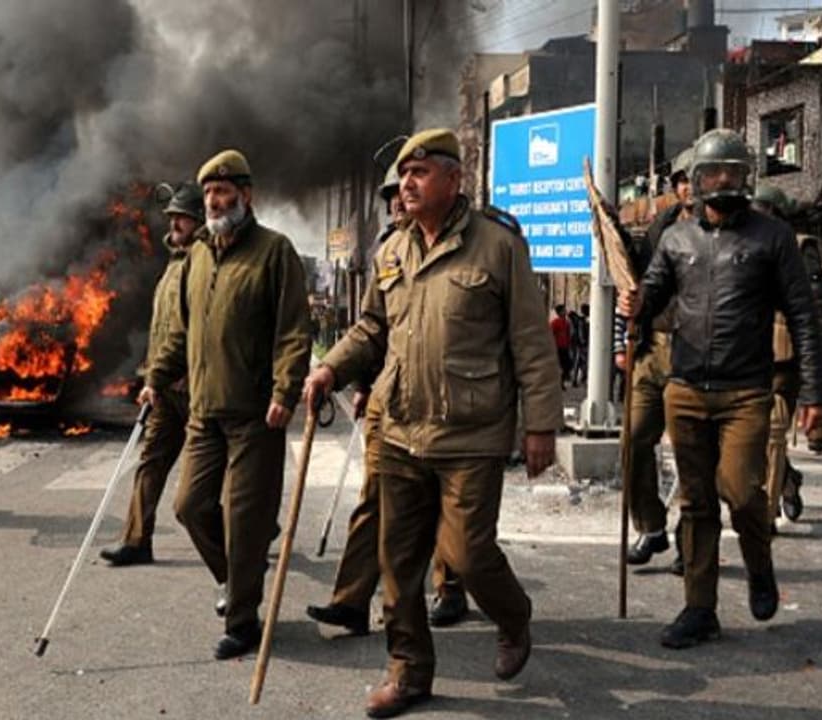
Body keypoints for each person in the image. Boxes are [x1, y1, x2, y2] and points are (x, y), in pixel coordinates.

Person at [306, 128, 562, 718]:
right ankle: (409, 671)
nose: (408, 185)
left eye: (420, 173)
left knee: (467, 555)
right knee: (398, 564)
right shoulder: (392, 251)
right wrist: (330, 368)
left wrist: (541, 425)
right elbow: (372, 329)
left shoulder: (497, 247)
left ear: (453, 178)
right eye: (404, 176)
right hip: (400, 428)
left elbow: (531, 341)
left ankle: (514, 615)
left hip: (471, 432)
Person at [618, 129, 822, 650]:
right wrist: (635, 302)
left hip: (745, 392)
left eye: (733, 172)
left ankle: (759, 563)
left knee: (739, 490)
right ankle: (699, 608)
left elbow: (804, 317)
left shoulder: (772, 237)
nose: (723, 181)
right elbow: (654, 293)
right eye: (713, 173)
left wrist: (814, 396)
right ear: (696, 180)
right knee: (695, 503)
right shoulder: (676, 239)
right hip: (685, 389)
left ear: (747, 176)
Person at [142, 149, 312, 660]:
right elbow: (181, 331)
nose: (215, 200)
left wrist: (285, 392)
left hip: (255, 415)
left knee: (245, 521)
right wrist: (156, 377)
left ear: (246, 195)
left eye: (224, 191)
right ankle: (236, 578)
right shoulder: (196, 255)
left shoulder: (274, 252)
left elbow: (293, 331)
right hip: (204, 412)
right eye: (209, 192)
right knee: (190, 506)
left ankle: (242, 620)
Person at [306, 163, 470, 639]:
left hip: (444, 400)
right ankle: (351, 601)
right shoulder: (387, 251)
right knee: (374, 502)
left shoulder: (467, 244)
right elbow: (374, 328)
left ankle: (450, 587)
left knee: (444, 503)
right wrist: (345, 377)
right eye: (392, 198)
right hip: (388, 398)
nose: (399, 203)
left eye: (405, 192)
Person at [99, 183, 204, 566]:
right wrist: (152, 376)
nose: (174, 224)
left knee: (214, 470)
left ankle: (250, 532)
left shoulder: (204, 264)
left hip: (196, 387)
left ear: (200, 221)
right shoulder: (173, 265)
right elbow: (163, 328)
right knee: (151, 461)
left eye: (183, 218)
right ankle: (136, 540)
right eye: (172, 216)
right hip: (165, 387)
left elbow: (195, 330)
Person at [618, 159, 695, 572]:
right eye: (681, 180)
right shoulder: (661, 227)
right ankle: (650, 525)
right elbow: (635, 282)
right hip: (654, 346)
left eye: (695, 178)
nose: (688, 187)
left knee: (691, 451)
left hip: (698, 351)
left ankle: (691, 538)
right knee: (633, 439)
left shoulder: (728, 228)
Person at [752, 185, 822, 521]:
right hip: (743, 353)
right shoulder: (742, 242)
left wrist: (815, 382)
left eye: (763, 211)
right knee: (746, 437)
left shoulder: (801, 248)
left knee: (771, 433)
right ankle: (787, 479)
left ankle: (765, 515)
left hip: (784, 357)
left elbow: (814, 312)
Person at [550, 304, 572, 389]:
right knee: (559, 366)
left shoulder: (566, 323)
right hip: (557, 347)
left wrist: (568, 344)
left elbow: (568, 334)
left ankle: (561, 382)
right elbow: (551, 334)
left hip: (564, 347)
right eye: (563, 310)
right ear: (559, 312)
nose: (565, 311)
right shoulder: (555, 322)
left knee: (565, 365)